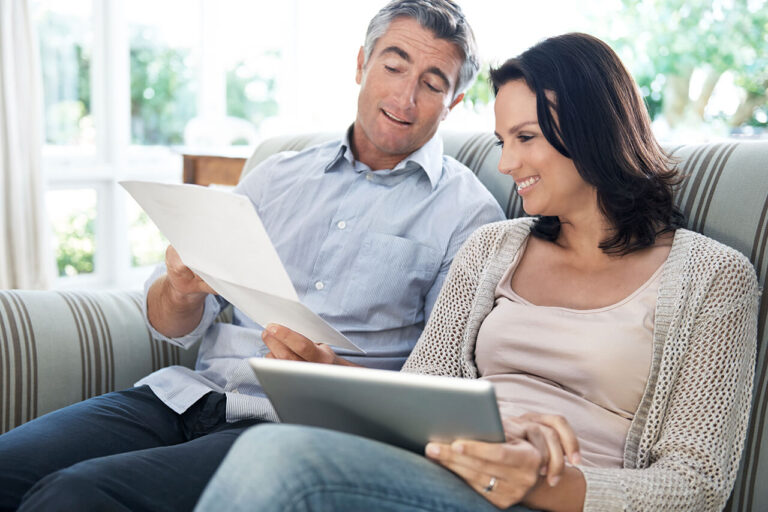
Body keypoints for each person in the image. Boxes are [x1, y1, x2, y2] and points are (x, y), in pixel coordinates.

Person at [193, 33, 760, 512]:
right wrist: (332, 372)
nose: (507, 164)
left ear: (594, 130)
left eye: (526, 138)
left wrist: (540, 478)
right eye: (502, 141)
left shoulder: (713, 278)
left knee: (278, 458)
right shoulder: (494, 248)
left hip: (548, 496)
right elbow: (425, 395)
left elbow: (697, 484)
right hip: (446, 473)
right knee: (278, 443)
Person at [0, 2, 505, 511]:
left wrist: (336, 381)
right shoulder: (276, 176)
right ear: (361, 64)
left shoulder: (469, 218)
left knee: (75, 495)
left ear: (454, 101)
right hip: (185, 396)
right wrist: (179, 289)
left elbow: (441, 386)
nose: (405, 95)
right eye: (393, 67)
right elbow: (167, 325)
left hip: (290, 429)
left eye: (432, 83)